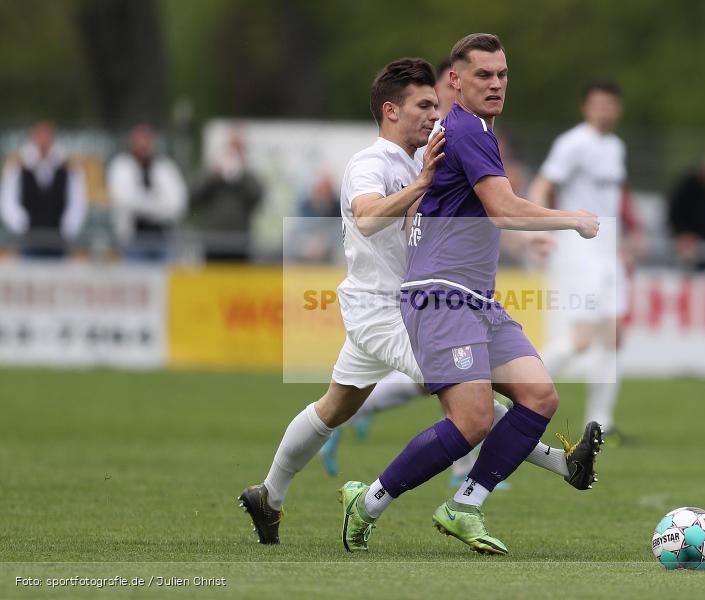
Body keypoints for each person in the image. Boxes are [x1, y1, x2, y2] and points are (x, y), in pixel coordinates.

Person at [239, 58, 599, 546]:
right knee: (472, 404)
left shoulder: (420, 159)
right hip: (386, 309)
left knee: (334, 407)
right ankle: (554, 467)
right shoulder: (371, 162)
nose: (434, 114)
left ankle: (270, 494)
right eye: (423, 105)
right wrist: (421, 184)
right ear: (391, 110)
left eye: (437, 104)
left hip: (405, 305)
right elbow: (367, 218)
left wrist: (521, 240)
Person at [339, 34, 602, 556]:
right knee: (473, 419)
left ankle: (465, 505)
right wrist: (570, 219)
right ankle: (366, 503)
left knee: (539, 396)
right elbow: (503, 208)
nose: (496, 84)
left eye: (502, 74)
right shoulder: (464, 128)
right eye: (483, 75)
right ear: (454, 81)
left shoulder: (474, 131)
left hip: (476, 297)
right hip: (440, 296)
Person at [528, 80, 644, 446]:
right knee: (581, 340)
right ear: (586, 107)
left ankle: (600, 424)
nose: (604, 111)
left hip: (607, 250)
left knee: (613, 334)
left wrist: (625, 240)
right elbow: (541, 187)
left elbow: (614, 202)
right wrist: (541, 229)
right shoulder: (573, 143)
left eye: (610, 104)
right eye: (598, 104)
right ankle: (515, 393)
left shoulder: (615, 147)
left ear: (617, 109)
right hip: (579, 248)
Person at [0, 121, 87, 257]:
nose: (43, 141)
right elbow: (8, 200)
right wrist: (20, 224)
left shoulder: (68, 165)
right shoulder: (17, 163)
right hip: (28, 237)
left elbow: (77, 200)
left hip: (58, 237)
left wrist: (69, 227)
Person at [107, 124, 187, 261]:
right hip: (132, 242)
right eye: (140, 140)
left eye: (147, 140)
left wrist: (142, 201)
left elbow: (178, 204)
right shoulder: (121, 166)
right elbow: (125, 199)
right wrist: (158, 202)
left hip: (162, 240)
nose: (144, 145)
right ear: (132, 142)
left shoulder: (165, 167)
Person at [191, 128, 263, 262]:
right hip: (214, 240)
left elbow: (257, 196)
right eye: (232, 148)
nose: (234, 153)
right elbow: (195, 195)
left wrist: (242, 173)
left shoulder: (248, 176)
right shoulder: (212, 173)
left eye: (239, 148)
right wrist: (214, 175)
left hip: (240, 242)